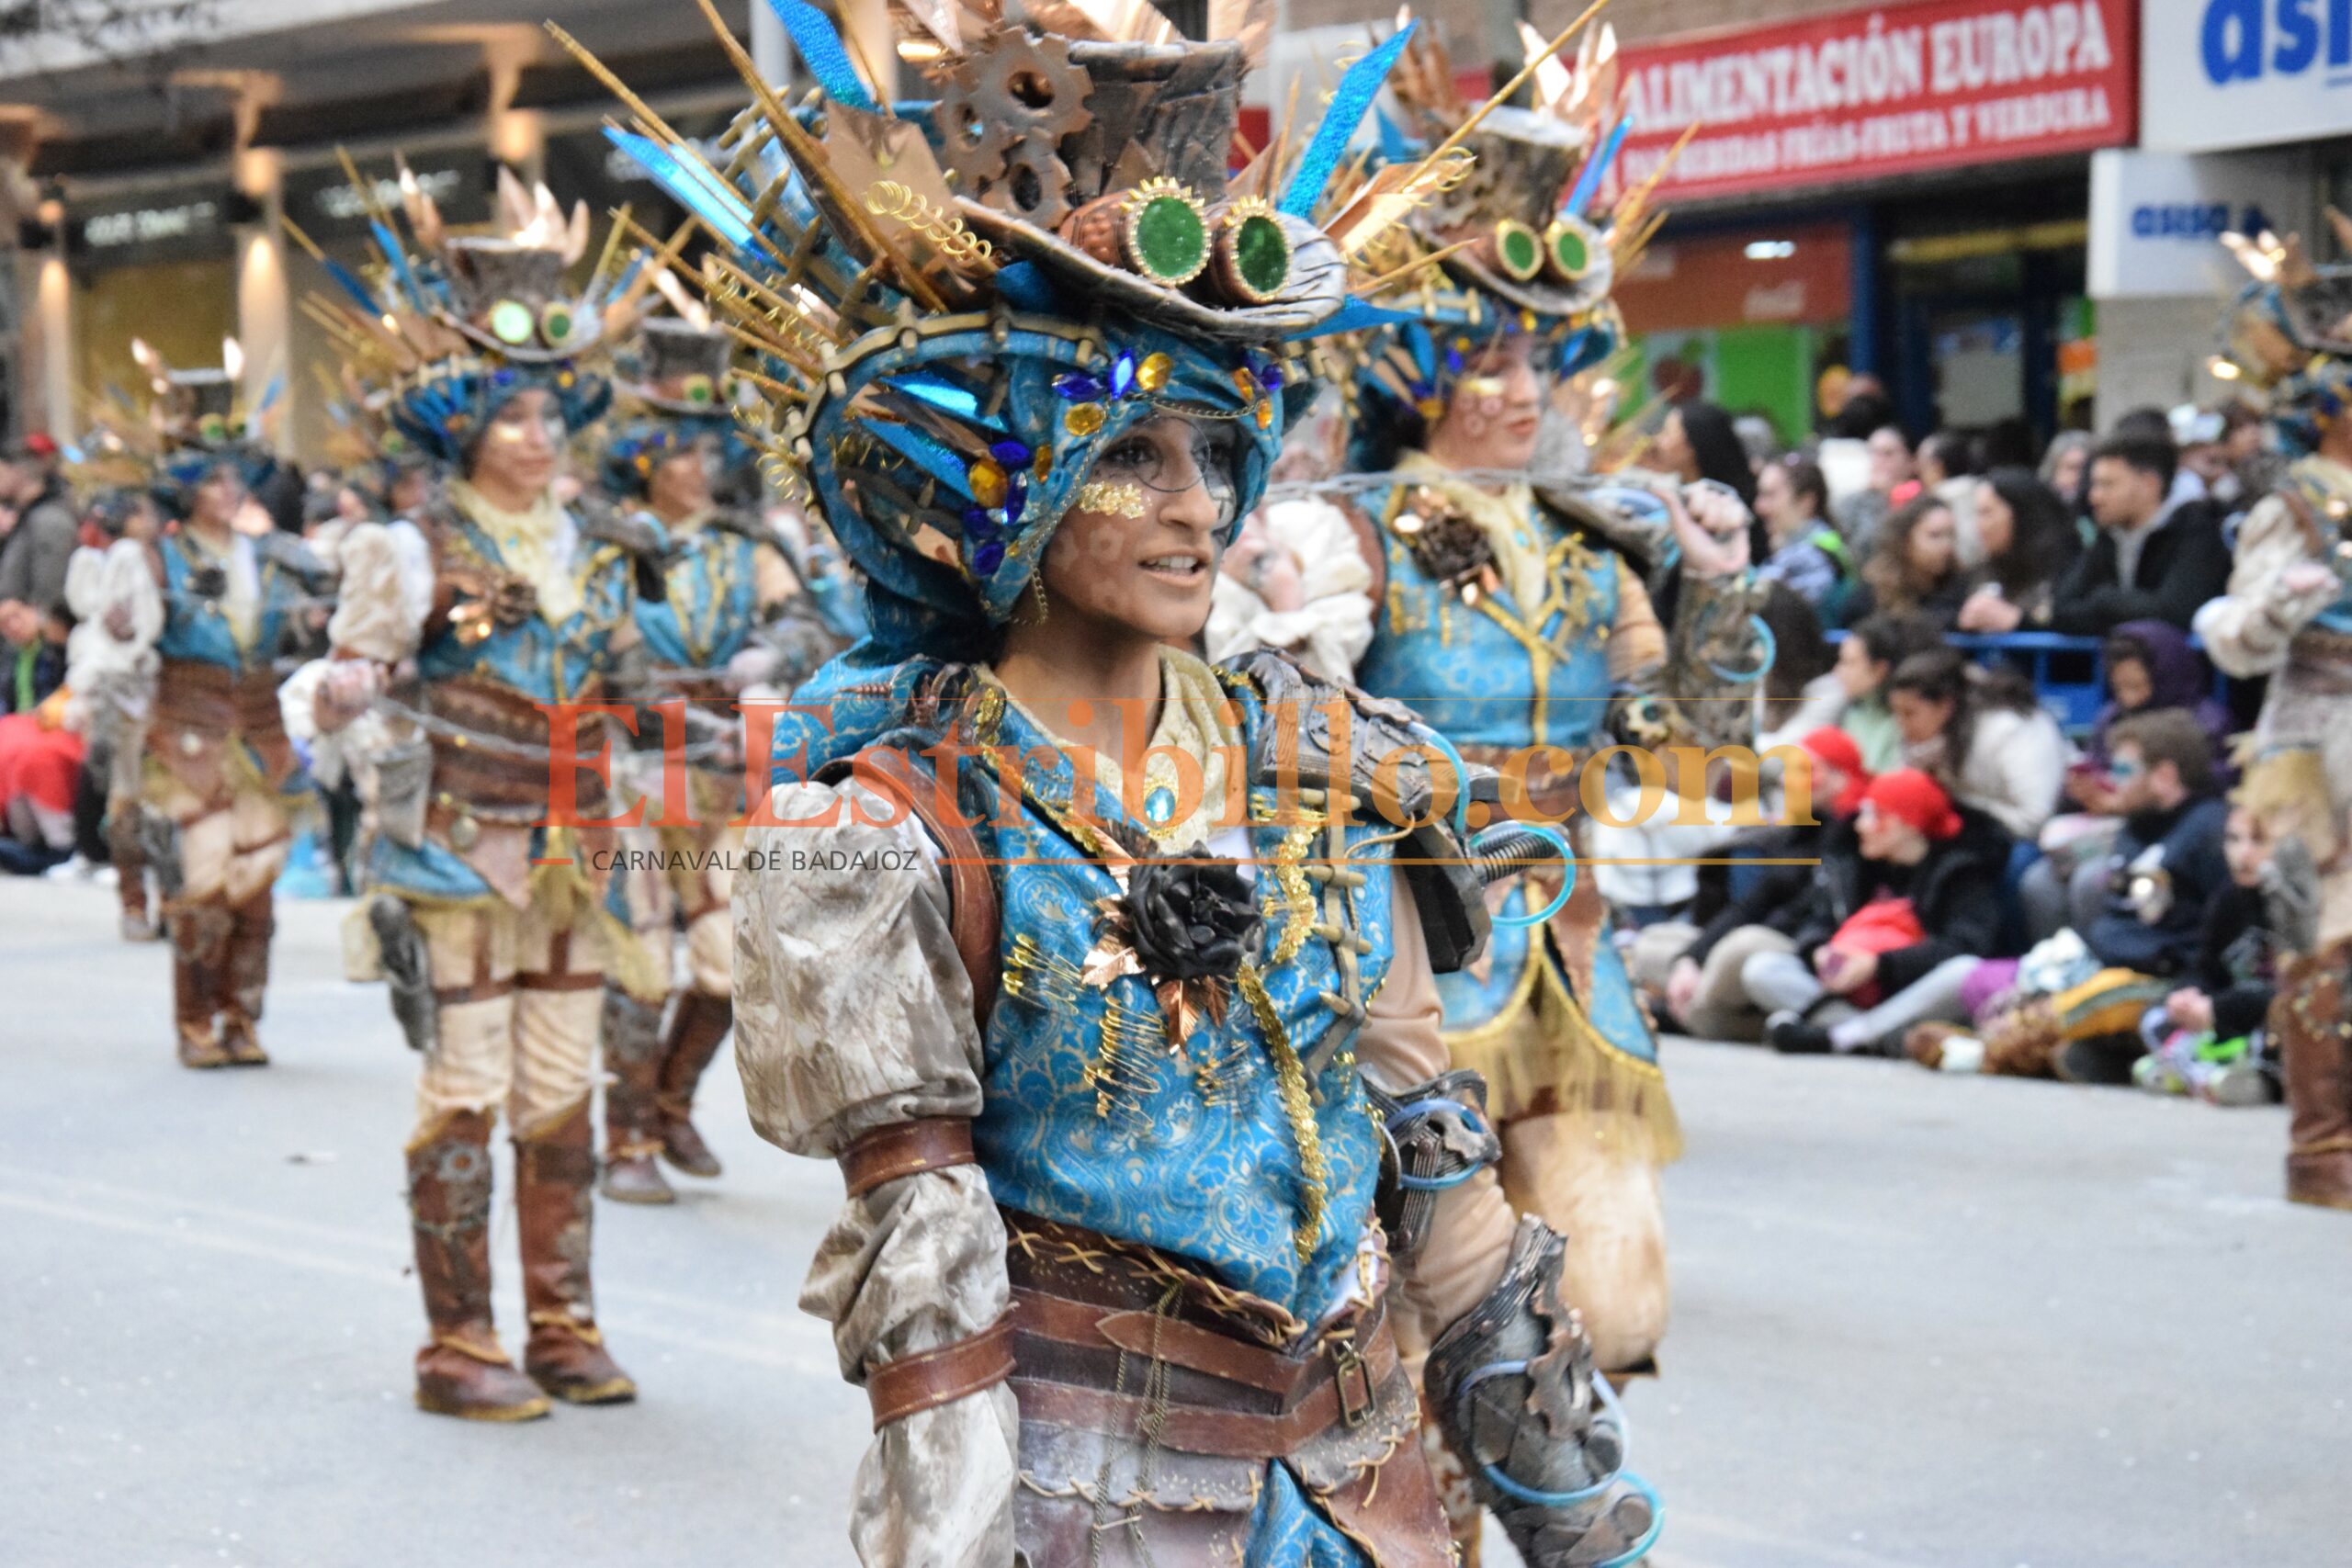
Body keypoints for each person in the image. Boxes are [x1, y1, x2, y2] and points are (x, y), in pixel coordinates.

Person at [607, 11, 1663, 1566]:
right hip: (1093, 1503)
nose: (1197, 510)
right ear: (1011, 486)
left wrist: (1576, 1516)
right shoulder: (892, 827)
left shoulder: (1327, 767)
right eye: (1132, 457)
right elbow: (927, 1269)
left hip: (1366, 1492)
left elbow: (1436, 1166)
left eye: (1215, 455)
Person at [1339, 22, 1768, 1432]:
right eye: (1490, 363)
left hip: (1567, 959)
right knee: (1411, 1317)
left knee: (1601, 1294)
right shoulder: (1349, 538)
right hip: (1404, 956)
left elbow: (1680, 743)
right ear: (1421, 375)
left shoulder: (1594, 544)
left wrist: (1716, 592)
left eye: (1536, 362)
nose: (1526, 392)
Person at [306, 169, 652, 1418]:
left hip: (578, 847)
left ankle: (562, 1322)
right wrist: (347, 687)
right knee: (465, 1084)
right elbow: (345, 681)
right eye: (514, 417)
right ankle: (457, 1341)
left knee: (562, 1085)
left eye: (550, 412)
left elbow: (630, 682)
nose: (540, 434)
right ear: (464, 431)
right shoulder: (405, 550)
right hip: (456, 844)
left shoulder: (596, 546)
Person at [594, 310, 847, 1206]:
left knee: (727, 963)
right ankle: (625, 1137)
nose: (696, 465)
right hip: (633, 773)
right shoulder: (610, 544)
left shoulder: (749, 545)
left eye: (707, 447)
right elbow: (610, 658)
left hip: (725, 772)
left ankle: (670, 1102)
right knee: (641, 963)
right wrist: (664, 711)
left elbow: (804, 623)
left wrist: (768, 654)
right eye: (677, 448)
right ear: (643, 456)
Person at [2192, 230, 2352, 1208]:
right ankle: (2323, 1146)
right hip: (2314, 739)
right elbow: (2233, 641)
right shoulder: (2292, 508)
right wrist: (2282, 607)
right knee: (2322, 938)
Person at [110, 355, 327, 1067]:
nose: (228, 491)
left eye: (235, 478)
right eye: (213, 480)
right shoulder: (156, 561)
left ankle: (243, 1017)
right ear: (186, 491)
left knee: (257, 890)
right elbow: (124, 639)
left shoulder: (269, 557)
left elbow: (319, 607)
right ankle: (195, 1020)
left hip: (260, 731)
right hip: (187, 734)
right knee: (202, 883)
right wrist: (121, 629)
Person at [1755, 768, 2013, 1055]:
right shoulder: (1857, 862)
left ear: (1907, 824)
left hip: (1912, 991)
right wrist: (1819, 951)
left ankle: (1846, 1034)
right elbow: (1820, 918)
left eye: (1874, 815)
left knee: (1963, 971)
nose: (1860, 825)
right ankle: (1863, 1035)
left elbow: (1964, 945)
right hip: (1848, 988)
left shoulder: (1961, 872)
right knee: (1764, 968)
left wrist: (1879, 965)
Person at [1636, 727, 1871, 1042]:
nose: (1787, 781)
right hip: (1759, 942)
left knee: (1740, 948)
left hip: (1801, 947)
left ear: (1840, 777)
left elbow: (1817, 913)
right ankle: (1697, 1008)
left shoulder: (1855, 836)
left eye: (1805, 771)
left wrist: (1707, 958)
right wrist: (1691, 959)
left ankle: (1691, 1012)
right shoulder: (1801, 830)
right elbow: (1751, 905)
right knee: (1652, 943)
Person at [62, 488, 165, 938]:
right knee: (129, 796)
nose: (151, 519)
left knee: (170, 803)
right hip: (132, 687)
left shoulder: (173, 556)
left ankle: (174, 903)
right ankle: (134, 901)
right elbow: (120, 623)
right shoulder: (122, 559)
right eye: (143, 512)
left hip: (179, 688)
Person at [2135, 805, 2281, 1104]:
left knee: (2276, 1030)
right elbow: (2207, 970)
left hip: (2272, 1019)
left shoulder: (2300, 904)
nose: (2243, 854)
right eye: (2234, 839)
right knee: (2155, 1017)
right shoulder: (2228, 898)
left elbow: (2297, 993)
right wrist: (2186, 996)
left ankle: (2255, 1080)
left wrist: (2218, 1008)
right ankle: (2213, 1074)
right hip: (2229, 1020)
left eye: (2258, 840)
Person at [2046, 432, 2232, 636]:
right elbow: (2061, 609)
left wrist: (2104, 600)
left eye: (2107, 484)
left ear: (2149, 484)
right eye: (2094, 484)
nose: (2094, 496)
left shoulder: (2197, 532)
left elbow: (2174, 613)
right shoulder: (2109, 537)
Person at [1888, 648, 2066, 841]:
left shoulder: (2009, 728)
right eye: (1895, 712)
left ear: (1945, 706)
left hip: (2030, 840)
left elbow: (2034, 819)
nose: (1900, 723)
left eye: (1909, 713)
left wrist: (1959, 808)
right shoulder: (1926, 740)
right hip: (1973, 833)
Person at [1763, 610, 1940, 769]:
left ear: (1879, 670)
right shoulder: (1851, 710)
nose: (1837, 671)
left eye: (1849, 663)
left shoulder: (1901, 723)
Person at [1, 435, 78, 715]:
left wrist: (37, 619)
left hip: (39, 654)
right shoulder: (31, 516)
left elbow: (52, 592)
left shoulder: (49, 520)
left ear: (16, 471)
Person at [1953, 467, 2082, 634]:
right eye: (1977, 514)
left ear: (2020, 514)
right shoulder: (1982, 571)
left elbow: (2071, 622)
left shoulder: (2068, 567)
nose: (1979, 525)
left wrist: (2016, 621)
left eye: (1987, 513)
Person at [1842, 493, 1973, 627]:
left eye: (1951, 535)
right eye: (1935, 535)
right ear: (1906, 540)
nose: (1946, 546)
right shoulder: (1871, 595)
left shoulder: (1963, 588)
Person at [1754, 455, 1850, 615]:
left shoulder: (1812, 556)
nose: (1759, 506)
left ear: (1806, 501)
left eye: (1770, 495)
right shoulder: (1811, 542)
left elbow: (1755, 604)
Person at [1838, 423, 1916, 555]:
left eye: (1888, 454)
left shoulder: (1920, 501)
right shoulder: (1851, 503)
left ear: (1910, 461)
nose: (1878, 461)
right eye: (1873, 453)